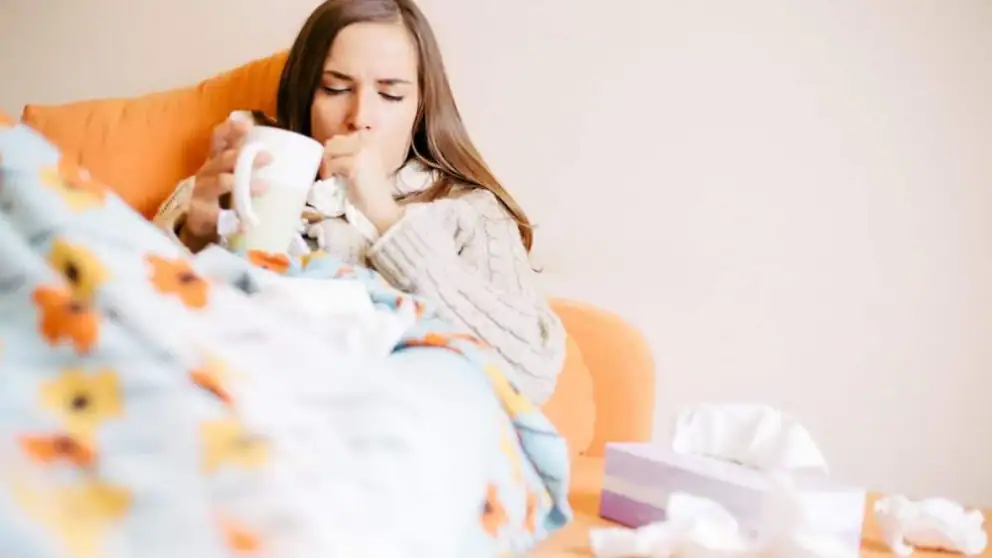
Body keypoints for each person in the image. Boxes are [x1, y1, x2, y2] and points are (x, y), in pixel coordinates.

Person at [153, 0, 565, 405]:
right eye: (336, 89)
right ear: (304, 95)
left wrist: (388, 220)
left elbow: (532, 375)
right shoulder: (243, 174)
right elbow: (138, 316)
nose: (360, 116)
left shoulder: (471, 212)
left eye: (390, 94)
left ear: (421, 106)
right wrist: (193, 236)